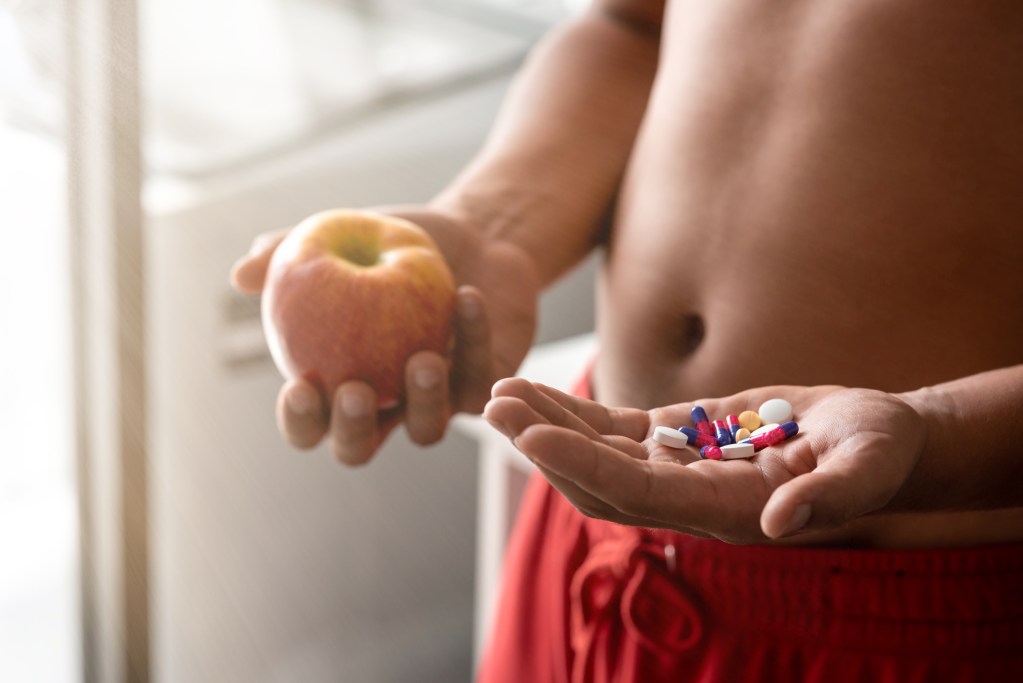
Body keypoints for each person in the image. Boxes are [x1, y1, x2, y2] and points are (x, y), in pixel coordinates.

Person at [232, 0, 1023, 680]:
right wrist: (492, 223)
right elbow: (631, 25)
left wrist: (939, 432)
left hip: (912, 618)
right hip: (601, 534)